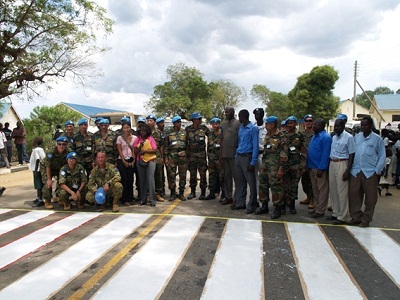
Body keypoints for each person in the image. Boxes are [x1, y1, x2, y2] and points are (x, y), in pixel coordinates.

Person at [348, 116, 386, 227]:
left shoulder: (377, 139)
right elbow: (353, 152)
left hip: (370, 172)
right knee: (354, 195)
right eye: (362, 125)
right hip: (356, 171)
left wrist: (377, 170)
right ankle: (356, 217)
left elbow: (382, 156)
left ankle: (366, 219)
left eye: (366, 125)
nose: (363, 127)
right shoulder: (357, 137)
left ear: (370, 126)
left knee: (370, 198)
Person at [257, 116, 288, 219]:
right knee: (263, 185)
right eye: (266, 124)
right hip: (265, 165)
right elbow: (266, 151)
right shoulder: (267, 135)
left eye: (268, 124)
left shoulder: (281, 136)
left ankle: (278, 208)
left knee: (276, 187)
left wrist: (281, 169)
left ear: (273, 124)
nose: (266, 126)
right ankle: (264, 205)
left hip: (275, 167)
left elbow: (284, 154)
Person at [328, 118, 355, 225]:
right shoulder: (333, 137)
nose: (336, 128)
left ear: (343, 127)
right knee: (333, 190)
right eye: (335, 126)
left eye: (338, 126)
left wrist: (348, 170)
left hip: (342, 163)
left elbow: (352, 154)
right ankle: (336, 212)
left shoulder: (349, 137)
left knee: (342, 191)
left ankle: (343, 216)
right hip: (332, 163)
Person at [233, 109, 259, 214]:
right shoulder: (241, 128)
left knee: (251, 183)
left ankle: (252, 204)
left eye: (240, 116)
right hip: (239, 157)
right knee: (240, 182)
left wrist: (253, 162)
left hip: (247, 158)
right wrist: (236, 156)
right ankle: (240, 203)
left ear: (244, 117)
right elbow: (240, 142)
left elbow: (255, 146)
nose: (239, 119)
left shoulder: (253, 129)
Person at [306, 118, 331, 218]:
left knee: (322, 189)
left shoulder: (326, 137)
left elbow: (325, 154)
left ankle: (321, 210)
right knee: (315, 189)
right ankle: (317, 207)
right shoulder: (314, 136)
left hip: (319, 168)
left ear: (322, 126)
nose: (313, 126)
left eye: (315, 124)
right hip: (312, 166)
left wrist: (322, 167)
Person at [284, 116, 306, 214]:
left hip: (295, 164)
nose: (289, 125)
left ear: (296, 124)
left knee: (293, 185)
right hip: (284, 164)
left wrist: (302, 165)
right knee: (284, 185)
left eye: (292, 123)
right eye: (288, 123)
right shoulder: (283, 135)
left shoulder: (299, 136)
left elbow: (304, 152)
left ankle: (292, 205)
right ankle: (284, 204)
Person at [186, 112, 210, 200]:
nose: (200, 120)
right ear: (194, 120)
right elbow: (185, 143)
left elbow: (211, 137)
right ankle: (192, 192)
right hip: (191, 155)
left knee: (203, 174)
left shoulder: (204, 128)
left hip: (201, 155)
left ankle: (203, 193)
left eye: (200, 119)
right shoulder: (188, 129)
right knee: (192, 174)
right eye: (199, 119)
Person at [40, 136, 69, 209]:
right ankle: (47, 200)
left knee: (62, 182)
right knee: (47, 183)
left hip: (59, 168)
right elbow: (48, 166)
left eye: (63, 144)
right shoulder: (51, 152)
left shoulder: (68, 152)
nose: (61, 146)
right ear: (56, 144)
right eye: (59, 144)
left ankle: (60, 198)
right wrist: (49, 179)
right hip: (48, 168)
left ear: (66, 145)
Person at [220, 107, 241, 206]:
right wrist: (221, 154)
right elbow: (221, 140)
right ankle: (228, 197)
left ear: (233, 113)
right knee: (227, 177)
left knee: (237, 178)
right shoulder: (223, 125)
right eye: (226, 112)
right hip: (225, 154)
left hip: (234, 155)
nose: (226, 113)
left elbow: (241, 139)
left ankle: (237, 198)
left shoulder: (238, 124)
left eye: (228, 112)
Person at [164, 116, 188, 201]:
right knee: (171, 175)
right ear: (174, 123)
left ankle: (181, 193)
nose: (179, 123)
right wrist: (166, 158)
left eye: (180, 122)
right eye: (178, 122)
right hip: (172, 156)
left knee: (183, 175)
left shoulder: (184, 132)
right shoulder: (169, 133)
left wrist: (187, 157)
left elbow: (187, 146)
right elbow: (166, 146)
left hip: (182, 156)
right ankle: (172, 193)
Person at [134, 123, 157, 207]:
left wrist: (145, 151)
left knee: (150, 180)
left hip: (150, 160)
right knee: (142, 180)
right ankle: (143, 199)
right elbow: (135, 152)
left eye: (144, 130)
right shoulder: (137, 140)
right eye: (141, 130)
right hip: (140, 161)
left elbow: (154, 150)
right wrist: (140, 147)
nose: (143, 132)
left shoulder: (151, 139)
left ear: (147, 131)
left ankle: (152, 199)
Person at [116, 120, 137, 205]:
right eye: (124, 128)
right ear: (122, 129)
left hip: (131, 160)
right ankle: (124, 199)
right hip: (122, 160)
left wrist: (134, 160)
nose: (126, 129)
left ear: (130, 128)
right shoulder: (119, 138)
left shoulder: (135, 138)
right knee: (124, 179)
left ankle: (130, 197)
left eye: (128, 127)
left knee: (130, 179)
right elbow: (120, 151)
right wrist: (124, 161)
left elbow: (135, 150)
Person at [205, 117, 224, 200]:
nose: (215, 125)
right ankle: (212, 192)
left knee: (222, 176)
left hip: (220, 159)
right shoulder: (210, 134)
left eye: (216, 124)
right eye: (213, 124)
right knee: (212, 176)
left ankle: (224, 193)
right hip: (211, 159)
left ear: (219, 124)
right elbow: (209, 146)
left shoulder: (222, 134)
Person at [300, 114, 315, 209]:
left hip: (313, 160)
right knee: (304, 181)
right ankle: (308, 197)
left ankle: (313, 199)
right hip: (303, 160)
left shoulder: (316, 133)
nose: (308, 122)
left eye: (310, 121)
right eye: (306, 121)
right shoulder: (301, 134)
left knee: (312, 181)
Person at [148, 115, 165, 202]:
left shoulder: (159, 132)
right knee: (149, 176)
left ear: (154, 122)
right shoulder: (144, 131)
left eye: (151, 120)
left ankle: (159, 194)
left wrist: (162, 157)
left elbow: (162, 145)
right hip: (147, 156)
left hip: (157, 156)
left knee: (158, 176)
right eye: (148, 120)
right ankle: (149, 194)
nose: (149, 122)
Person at [253, 108, 267, 201]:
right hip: (254, 155)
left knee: (264, 178)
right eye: (256, 114)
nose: (257, 116)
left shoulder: (267, 127)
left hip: (264, 155)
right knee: (255, 178)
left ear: (262, 115)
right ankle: (257, 198)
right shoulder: (253, 127)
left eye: (259, 114)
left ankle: (265, 198)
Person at [29, 137, 46, 206]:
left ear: (35, 142)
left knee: (38, 185)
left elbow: (37, 159)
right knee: (39, 184)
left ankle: (40, 199)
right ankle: (38, 197)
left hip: (37, 169)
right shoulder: (41, 149)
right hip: (40, 169)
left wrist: (36, 170)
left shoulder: (36, 150)